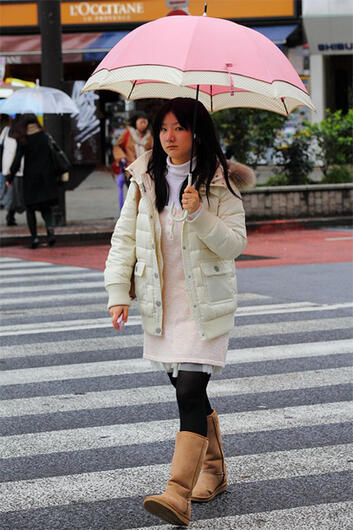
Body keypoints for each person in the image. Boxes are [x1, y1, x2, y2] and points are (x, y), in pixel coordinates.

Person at [105, 97, 255, 526]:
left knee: (190, 389)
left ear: (196, 132)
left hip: (204, 303)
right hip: (161, 301)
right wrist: (118, 291)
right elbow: (124, 240)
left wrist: (201, 213)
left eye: (179, 128)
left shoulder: (219, 181)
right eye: (163, 129)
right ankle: (214, 470)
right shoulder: (143, 178)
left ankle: (177, 492)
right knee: (186, 389)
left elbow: (234, 245)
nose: (169, 137)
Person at [8, 114, 59, 249]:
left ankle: (35, 238)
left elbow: (17, 160)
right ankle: (50, 231)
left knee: (30, 209)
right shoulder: (45, 136)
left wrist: (10, 177)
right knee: (46, 207)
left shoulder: (24, 139)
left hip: (31, 178)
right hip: (46, 177)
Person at [112, 110, 153, 181]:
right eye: (141, 122)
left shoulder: (149, 136)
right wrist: (122, 157)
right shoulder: (128, 133)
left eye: (145, 122)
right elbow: (117, 146)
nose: (143, 125)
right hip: (131, 169)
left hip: (146, 170)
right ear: (135, 122)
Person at [1, 116, 25, 226]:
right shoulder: (21, 134)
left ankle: (10, 215)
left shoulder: (6, 132)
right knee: (14, 194)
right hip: (16, 169)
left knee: (13, 193)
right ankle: (10, 215)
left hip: (8, 167)